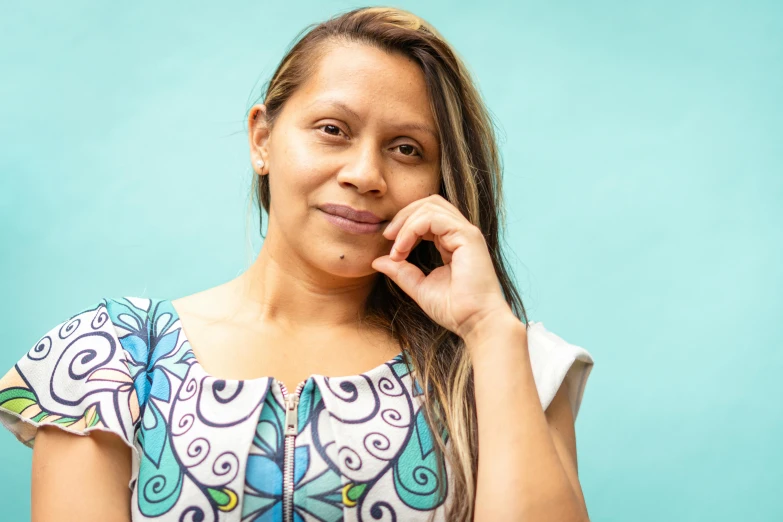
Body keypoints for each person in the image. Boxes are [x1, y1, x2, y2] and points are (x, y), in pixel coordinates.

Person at [0, 6, 595, 522]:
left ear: (440, 180)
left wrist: (489, 332)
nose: (365, 173)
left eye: (407, 149)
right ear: (263, 139)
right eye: (333, 130)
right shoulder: (113, 362)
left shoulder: (510, 365)